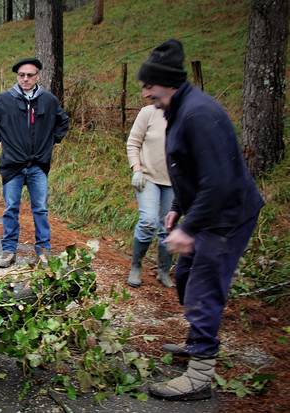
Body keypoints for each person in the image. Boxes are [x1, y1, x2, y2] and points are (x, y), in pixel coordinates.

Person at [136, 39, 264, 401]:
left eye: (149, 86)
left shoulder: (198, 115)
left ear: (169, 83)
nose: (145, 94)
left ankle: (200, 377)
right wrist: (177, 205)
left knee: (203, 286)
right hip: (206, 210)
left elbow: (219, 182)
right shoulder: (179, 108)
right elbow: (190, 168)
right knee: (186, 276)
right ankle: (196, 343)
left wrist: (189, 228)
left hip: (227, 216)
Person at [0, 57, 69, 268]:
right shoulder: (4, 99)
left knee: (41, 209)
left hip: (38, 166)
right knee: (11, 209)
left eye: (30, 75)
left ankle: (43, 251)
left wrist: (51, 141)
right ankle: (9, 251)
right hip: (12, 165)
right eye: (22, 75)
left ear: (38, 76)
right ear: (18, 77)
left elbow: (63, 121)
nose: (25, 79)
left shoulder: (48, 100)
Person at [125, 103, 174, 288]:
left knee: (168, 227)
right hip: (147, 177)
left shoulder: (186, 115)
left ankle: (163, 271)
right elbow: (133, 142)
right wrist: (136, 169)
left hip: (174, 182)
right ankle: (136, 267)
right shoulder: (149, 112)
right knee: (148, 221)